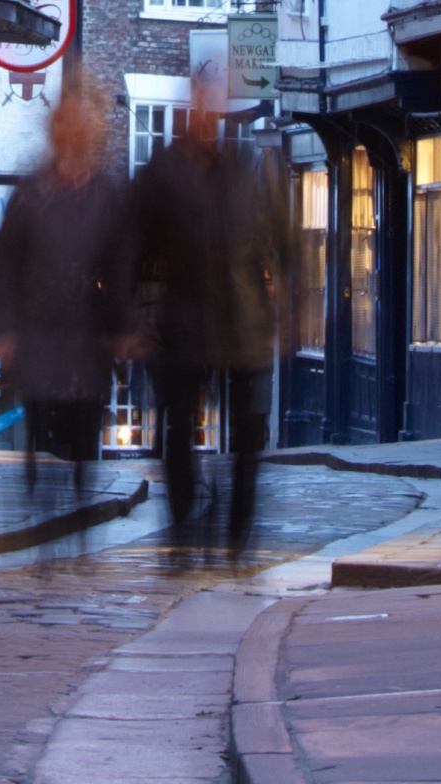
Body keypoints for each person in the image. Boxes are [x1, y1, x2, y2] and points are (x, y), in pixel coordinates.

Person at [126, 61, 289, 563]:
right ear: (189, 105)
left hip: (242, 322)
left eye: (211, 104)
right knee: (177, 431)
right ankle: (184, 528)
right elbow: (131, 247)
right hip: (183, 323)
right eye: (199, 102)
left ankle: (238, 534)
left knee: (246, 438)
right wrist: (131, 316)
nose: (205, 114)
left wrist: (287, 309)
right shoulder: (161, 174)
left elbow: (279, 241)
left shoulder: (242, 174)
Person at [0, 70, 125, 495]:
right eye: (68, 123)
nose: (76, 133)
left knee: (83, 441)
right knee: (43, 437)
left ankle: (78, 531)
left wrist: (122, 329)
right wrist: (1, 330)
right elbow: (6, 263)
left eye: (84, 124)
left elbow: (120, 267)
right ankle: (44, 524)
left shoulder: (107, 195)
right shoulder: (31, 194)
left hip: (87, 339)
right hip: (39, 335)